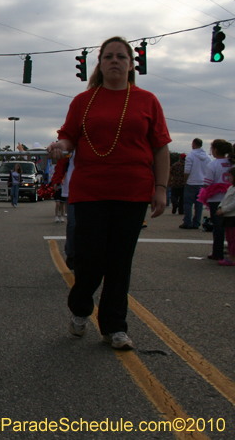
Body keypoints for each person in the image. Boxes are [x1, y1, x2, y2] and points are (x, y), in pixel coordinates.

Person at [47, 36, 171, 351]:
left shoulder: (147, 100)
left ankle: (114, 328)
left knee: (119, 262)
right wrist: (61, 147)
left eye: (121, 57)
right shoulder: (83, 101)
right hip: (90, 191)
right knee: (90, 260)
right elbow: (68, 138)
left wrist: (161, 189)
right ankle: (80, 307)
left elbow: (160, 148)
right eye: (108, 57)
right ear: (99, 64)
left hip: (132, 192)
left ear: (131, 65)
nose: (115, 61)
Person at [198, 139, 232, 263]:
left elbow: (207, 184)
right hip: (231, 199)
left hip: (216, 199)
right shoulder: (232, 163)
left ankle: (217, 252)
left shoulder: (213, 164)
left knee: (218, 228)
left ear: (215, 150)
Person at [181, 138, 211, 229]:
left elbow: (187, 171)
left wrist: (185, 181)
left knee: (188, 203)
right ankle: (197, 223)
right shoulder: (207, 157)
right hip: (202, 182)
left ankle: (187, 222)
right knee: (199, 204)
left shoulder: (190, 155)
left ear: (193, 144)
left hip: (191, 182)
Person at [214, 166, 235, 266]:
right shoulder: (231, 187)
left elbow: (233, 204)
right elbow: (224, 199)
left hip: (233, 216)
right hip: (228, 216)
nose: (229, 177)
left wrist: (223, 210)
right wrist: (220, 207)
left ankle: (232, 258)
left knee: (233, 239)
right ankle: (231, 256)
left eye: (230, 175)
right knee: (229, 238)